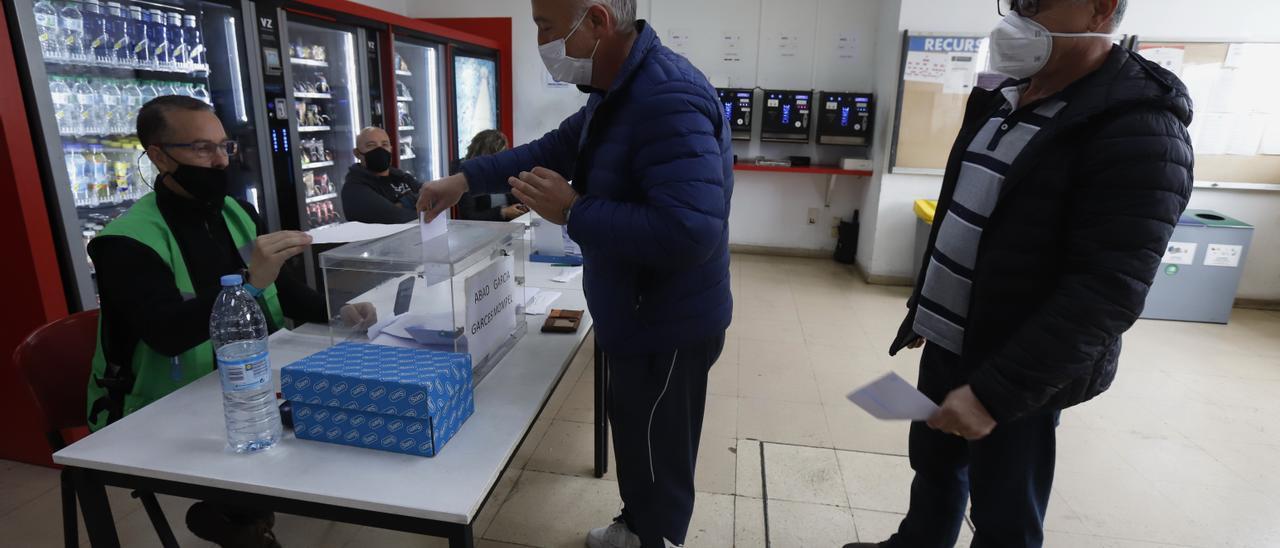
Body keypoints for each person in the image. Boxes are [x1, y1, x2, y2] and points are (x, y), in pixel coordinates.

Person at [845, 1, 1192, 547]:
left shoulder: (1139, 128)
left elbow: (1107, 291)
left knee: (1005, 513)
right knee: (934, 467)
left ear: (1101, 8)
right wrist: (927, 310)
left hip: (1021, 368)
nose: (1018, 17)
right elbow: (969, 211)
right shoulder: (999, 98)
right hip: (950, 341)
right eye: (1015, 2)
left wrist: (994, 393)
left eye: (1037, 2)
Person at [418, 0, 733, 546]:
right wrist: (465, 180)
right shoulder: (614, 93)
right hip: (633, 312)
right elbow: (552, 150)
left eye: (544, 27)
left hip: (669, 321)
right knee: (633, 432)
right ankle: (636, 525)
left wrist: (573, 211)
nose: (540, 41)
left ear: (596, 20)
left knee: (659, 450)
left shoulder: (666, 98)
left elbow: (691, 232)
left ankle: (658, 537)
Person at [86, 96, 375, 548]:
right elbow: (167, 334)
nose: (220, 160)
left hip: (253, 379)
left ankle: (241, 514)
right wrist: (246, 282)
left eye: (224, 146)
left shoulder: (237, 211)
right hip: (166, 405)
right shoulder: (124, 241)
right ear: (158, 155)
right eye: (202, 149)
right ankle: (241, 517)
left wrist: (339, 311)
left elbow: (283, 288)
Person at [341, 126, 422, 224]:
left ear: (390, 149)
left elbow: (433, 197)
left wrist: (404, 203)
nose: (379, 149)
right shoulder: (353, 189)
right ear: (357, 153)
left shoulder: (400, 176)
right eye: (371, 145)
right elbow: (396, 218)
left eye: (384, 144)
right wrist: (419, 203)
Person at [454, 129, 528, 222]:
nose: (501, 160)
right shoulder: (466, 176)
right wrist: (503, 212)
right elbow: (468, 217)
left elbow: (515, 199)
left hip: (509, 229)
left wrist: (521, 207)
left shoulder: (504, 169)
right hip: (481, 233)